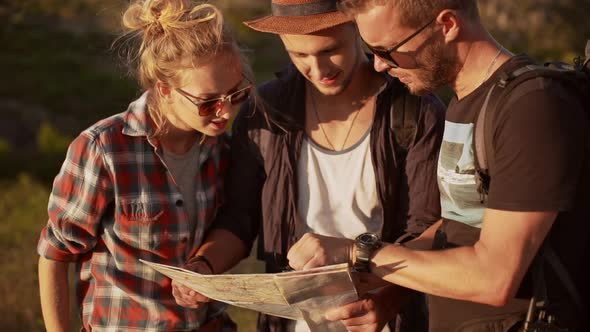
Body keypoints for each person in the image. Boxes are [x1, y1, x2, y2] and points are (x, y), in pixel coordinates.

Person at [286, 0, 590, 331]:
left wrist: (359, 252)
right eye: (369, 50)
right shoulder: (466, 102)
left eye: (388, 50)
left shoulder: (531, 108)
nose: (378, 66)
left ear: (446, 25)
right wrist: (375, 280)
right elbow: (458, 222)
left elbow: (494, 277)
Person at [171, 0, 445, 331]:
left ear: (357, 26)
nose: (318, 69)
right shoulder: (264, 112)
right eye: (300, 56)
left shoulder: (415, 111)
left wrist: (388, 300)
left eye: (330, 50)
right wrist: (204, 266)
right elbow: (240, 218)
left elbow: (430, 230)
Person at [36, 1, 255, 331]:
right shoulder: (104, 149)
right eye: (209, 102)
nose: (225, 113)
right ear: (164, 89)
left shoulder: (224, 147)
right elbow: (54, 256)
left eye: (236, 94)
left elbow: (233, 225)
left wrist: (204, 266)